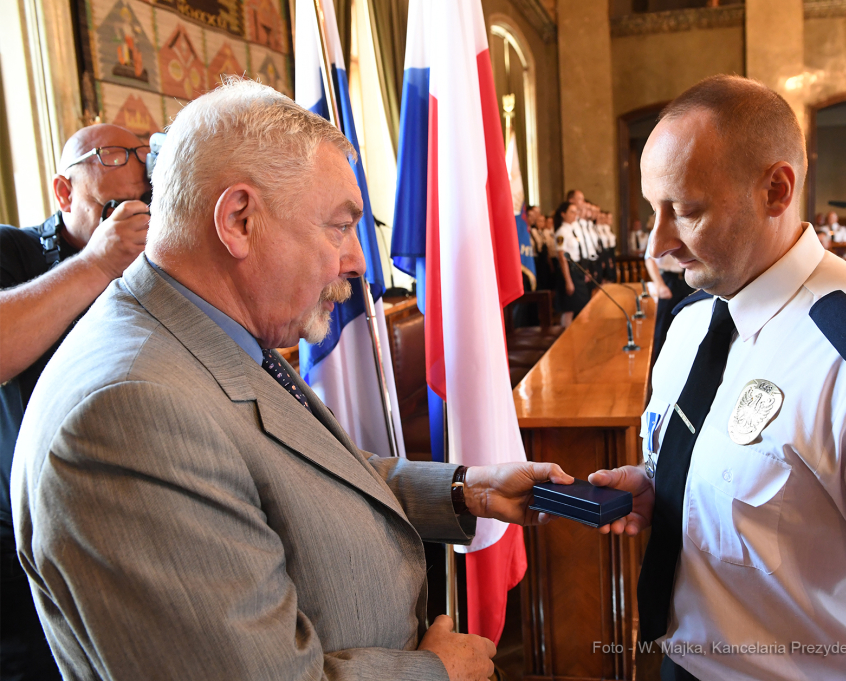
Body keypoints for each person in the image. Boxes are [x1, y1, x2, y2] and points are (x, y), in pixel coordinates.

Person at [10, 79, 574, 681]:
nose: (358, 260)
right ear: (239, 220)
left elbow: (302, 471)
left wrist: (466, 490)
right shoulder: (129, 415)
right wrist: (436, 672)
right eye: (340, 227)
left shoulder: (207, 329)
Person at [586, 75, 846, 681]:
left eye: (685, 211)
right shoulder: (690, 325)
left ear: (776, 190)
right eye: (652, 210)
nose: (658, 244)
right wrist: (668, 486)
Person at [0, 123, 151, 681]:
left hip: (132, 530)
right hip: (27, 549)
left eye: (141, 205)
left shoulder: (148, 268)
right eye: (113, 207)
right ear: (64, 192)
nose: (129, 220)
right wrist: (97, 263)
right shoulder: (12, 250)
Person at [645, 246, 695, 364]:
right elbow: (649, 259)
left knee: (687, 326)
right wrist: (660, 285)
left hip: (686, 279)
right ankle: (655, 366)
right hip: (668, 281)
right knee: (662, 328)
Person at [553, 201, 590, 325]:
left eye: (576, 212)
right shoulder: (561, 232)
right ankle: (566, 334)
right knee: (569, 308)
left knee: (582, 305)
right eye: (571, 212)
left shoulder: (573, 230)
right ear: (563, 214)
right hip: (569, 272)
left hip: (578, 269)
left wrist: (584, 271)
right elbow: (562, 257)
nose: (575, 214)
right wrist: (568, 281)